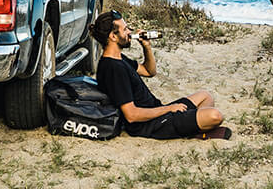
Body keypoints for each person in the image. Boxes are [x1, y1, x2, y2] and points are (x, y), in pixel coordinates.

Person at [91, 10, 231, 140]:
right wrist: (169, 109)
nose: (129, 32)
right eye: (125, 29)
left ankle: (193, 128)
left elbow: (149, 71)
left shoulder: (119, 59)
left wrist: (146, 46)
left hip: (157, 112)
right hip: (150, 125)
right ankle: (196, 131)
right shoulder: (113, 69)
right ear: (113, 36)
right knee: (215, 116)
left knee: (205, 96)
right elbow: (131, 115)